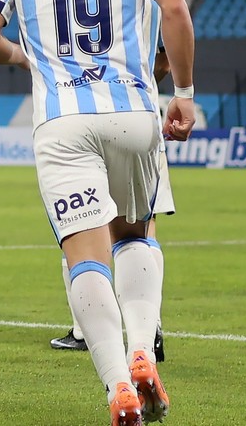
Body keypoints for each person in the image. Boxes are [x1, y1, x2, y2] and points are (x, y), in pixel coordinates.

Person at [0, 0, 195, 425]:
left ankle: (118, 385)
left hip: (63, 120)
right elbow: (175, 12)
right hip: (135, 115)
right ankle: (143, 349)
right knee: (135, 236)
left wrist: (25, 58)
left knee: (84, 257)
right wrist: (184, 94)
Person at [51, 45, 174, 363]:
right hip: (138, 114)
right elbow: (166, 58)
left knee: (81, 229)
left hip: (78, 118)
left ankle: (85, 331)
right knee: (142, 227)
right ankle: (148, 330)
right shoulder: (146, 12)